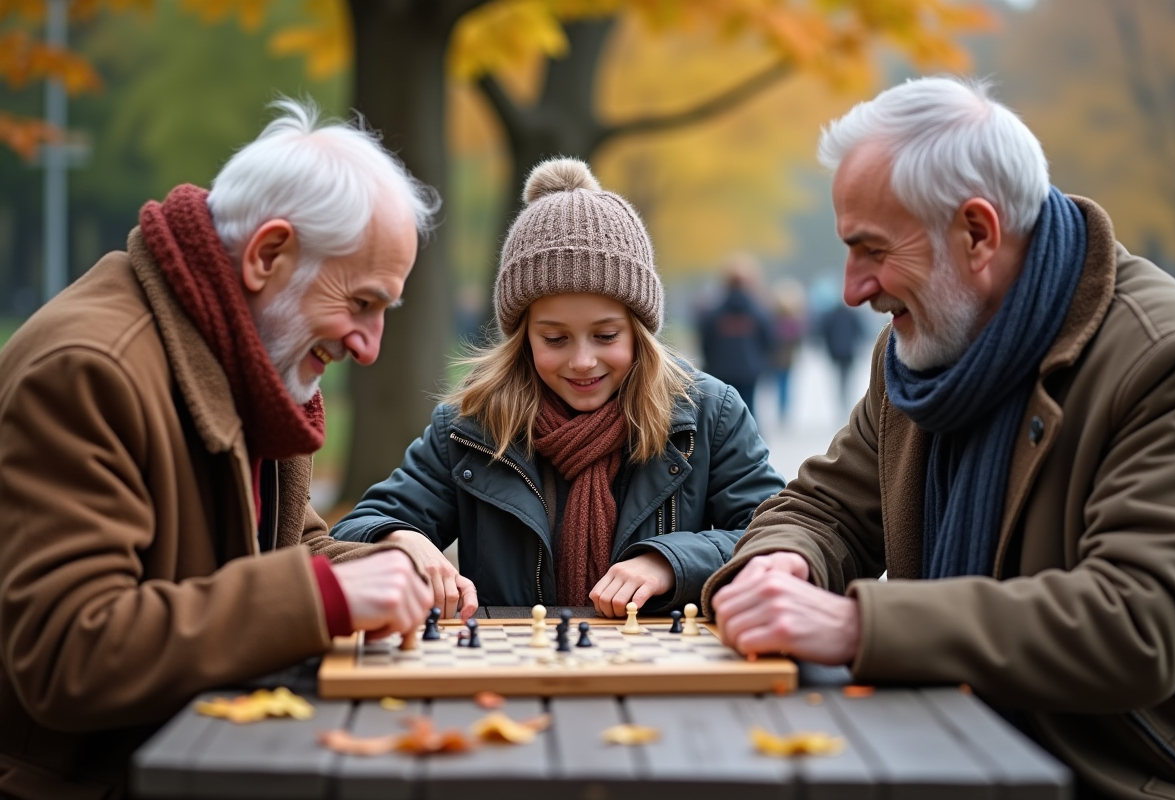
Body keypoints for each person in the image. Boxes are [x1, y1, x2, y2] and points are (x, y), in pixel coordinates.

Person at [703, 76, 1175, 799]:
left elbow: (1135, 623)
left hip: (1106, 776)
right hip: (943, 743)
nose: (851, 290)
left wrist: (857, 627)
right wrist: (784, 565)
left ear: (977, 233)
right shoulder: (917, 346)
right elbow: (827, 507)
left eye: (870, 249)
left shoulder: (1166, 358)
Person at [0, 98, 438, 798]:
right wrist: (327, 593)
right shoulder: (88, 369)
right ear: (268, 254)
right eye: (362, 302)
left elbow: (291, 555)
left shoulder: (255, 349)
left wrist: (395, 562)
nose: (370, 344)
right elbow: (68, 652)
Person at [332, 157, 785, 619]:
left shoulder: (710, 414)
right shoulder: (474, 424)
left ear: (639, 331)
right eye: (555, 339)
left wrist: (672, 563)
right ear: (523, 336)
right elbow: (353, 530)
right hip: (513, 675)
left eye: (606, 336)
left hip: (660, 678)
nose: (582, 360)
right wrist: (400, 540)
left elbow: (774, 536)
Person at [697, 254, 776, 417]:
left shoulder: (714, 313)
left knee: (723, 414)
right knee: (748, 412)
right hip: (749, 372)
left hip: (721, 372)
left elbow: (706, 342)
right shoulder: (758, 312)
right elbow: (768, 340)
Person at [767, 277, 807, 423]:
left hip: (776, 357)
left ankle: (781, 408)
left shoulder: (773, 319)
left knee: (779, 383)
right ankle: (784, 409)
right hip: (788, 358)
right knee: (785, 383)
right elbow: (797, 340)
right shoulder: (793, 320)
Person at [818, 300, 865, 415]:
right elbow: (860, 331)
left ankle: (841, 397)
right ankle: (845, 397)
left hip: (835, 351)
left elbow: (824, 333)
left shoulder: (830, 315)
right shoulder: (852, 314)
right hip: (849, 351)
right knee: (847, 375)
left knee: (839, 376)